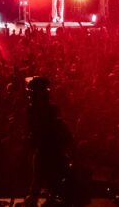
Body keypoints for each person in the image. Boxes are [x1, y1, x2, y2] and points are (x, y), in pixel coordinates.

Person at [25, 76, 75, 206]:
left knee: (41, 176)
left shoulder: (36, 110)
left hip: (47, 148)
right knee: (44, 177)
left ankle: (43, 199)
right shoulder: (41, 109)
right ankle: (48, 198)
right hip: (48, 148)